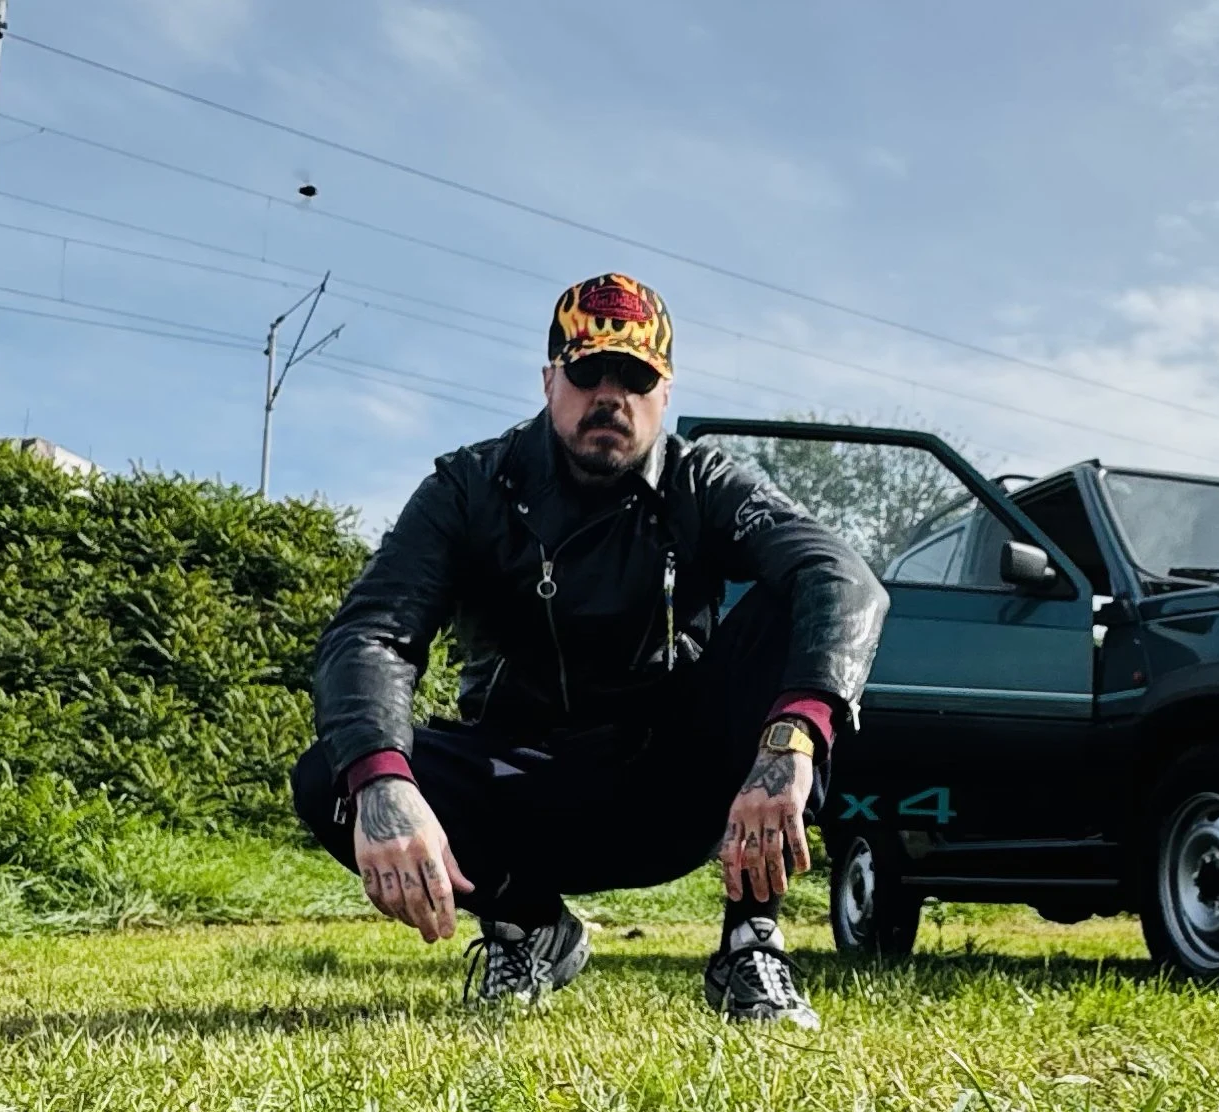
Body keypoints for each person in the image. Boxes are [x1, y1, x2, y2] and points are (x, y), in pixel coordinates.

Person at [291, 272, 889, 1028]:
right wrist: (382, 782)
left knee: (794, 600)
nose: (611, 394)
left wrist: (792, 739)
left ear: (663, 393)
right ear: (550, 380)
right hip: (521, 780)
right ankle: (529, 926)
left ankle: (751, 941)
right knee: (331, 776)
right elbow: (371, 632)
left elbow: (843, 577)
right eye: (588, 371)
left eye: (635, 376)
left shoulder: (701, 480)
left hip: (669, 783)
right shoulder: (469, 487)